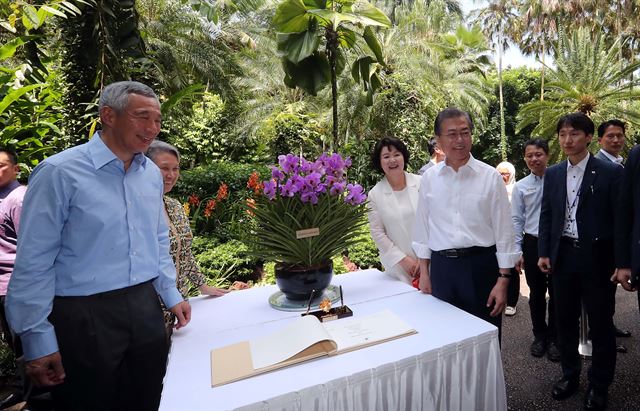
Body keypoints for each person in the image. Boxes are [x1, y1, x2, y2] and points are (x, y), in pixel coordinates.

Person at [5, 81, 191, 411]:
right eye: (142, 116)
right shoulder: (59, 173)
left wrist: (170, 293)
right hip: (82, 316)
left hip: (144, 307)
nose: (152, 129)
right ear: (109, 115)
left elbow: (157, 239)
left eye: (158, 120)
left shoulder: (149, 174)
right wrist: (36, 338)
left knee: (149, 398)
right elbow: (34, 260)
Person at [412, 107, 520, 339]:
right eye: (451, 134)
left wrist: (503, 280)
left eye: (465, 132)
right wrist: (425, 273)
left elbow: (504, 232)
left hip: (481, 269)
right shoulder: (429, 179)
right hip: (442, 270)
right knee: (444, 339)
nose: (459, 140)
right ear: (439, 140)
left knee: (484, 338)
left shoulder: (490, 177)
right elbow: (423, 228)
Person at [538, 113, 621, 410]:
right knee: (564, 321)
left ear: (588, 137)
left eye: (573, 134)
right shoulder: (555, 172)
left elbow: (620, 219)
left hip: (597, 258)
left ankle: (599, 385)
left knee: (600, 324)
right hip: (563, 256)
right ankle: (570, 375)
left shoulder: (610, 173)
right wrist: (544, 252)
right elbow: (547, 214)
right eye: (562, 134)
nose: (567, 140)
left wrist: (621, 262)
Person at [146, 140, 228, 328]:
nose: (171, 175)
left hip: (180, 305)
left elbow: (185, 253)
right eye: (164, 168)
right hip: (150, 310)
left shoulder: (174, 206)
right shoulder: (136, 210)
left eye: (176, 169)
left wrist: (203, 286)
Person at [511, 139, 560, 361]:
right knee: (537, 294)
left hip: (558, 244)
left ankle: (555, 338)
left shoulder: (560, 180)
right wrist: (517, 251)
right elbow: (516, 220)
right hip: (532, 243)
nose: (534, 159)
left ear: (547, 155)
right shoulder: (521, 186)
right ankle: (539, 336)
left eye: (538, 154)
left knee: (558, 294)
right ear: (524, 158)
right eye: (529, 155)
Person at [594, 119, 632, 346]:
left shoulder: (620, 163)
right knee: (600, 293)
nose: (616, 140)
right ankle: (601, 335)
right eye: (611, 136)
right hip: (602, 240)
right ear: (599, 140)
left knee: (609, 291)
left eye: (619, 135)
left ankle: (608, 327)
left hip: (616, 239)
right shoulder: (598, 166)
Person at [368, 137, 421, 285]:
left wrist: (424, 259)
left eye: (397, 154)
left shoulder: (422, 183)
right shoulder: (375, 194)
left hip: (430, 262)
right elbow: (377, 233)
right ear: (380, 162)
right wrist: (404, 261)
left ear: (404, 156)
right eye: (386, 156)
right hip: (398, 268)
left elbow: (434, 221)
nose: (392, 160)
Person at [0, 148, 28, 409]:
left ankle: (37, 396)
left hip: (15, 284)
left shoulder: (19, 199)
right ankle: (22, 390)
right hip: (2, 285)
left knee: (26, 344)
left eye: (1, 166)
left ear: (16, 169)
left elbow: (32, 245)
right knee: (12, 341)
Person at [496, 161, 520, 316]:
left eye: (506, 173)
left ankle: (512, 302)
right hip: (495, 235)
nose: (503, 176)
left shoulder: (516, 189)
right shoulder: (493, 188)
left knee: (512, 269)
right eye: (500, 173)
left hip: (512, 235)